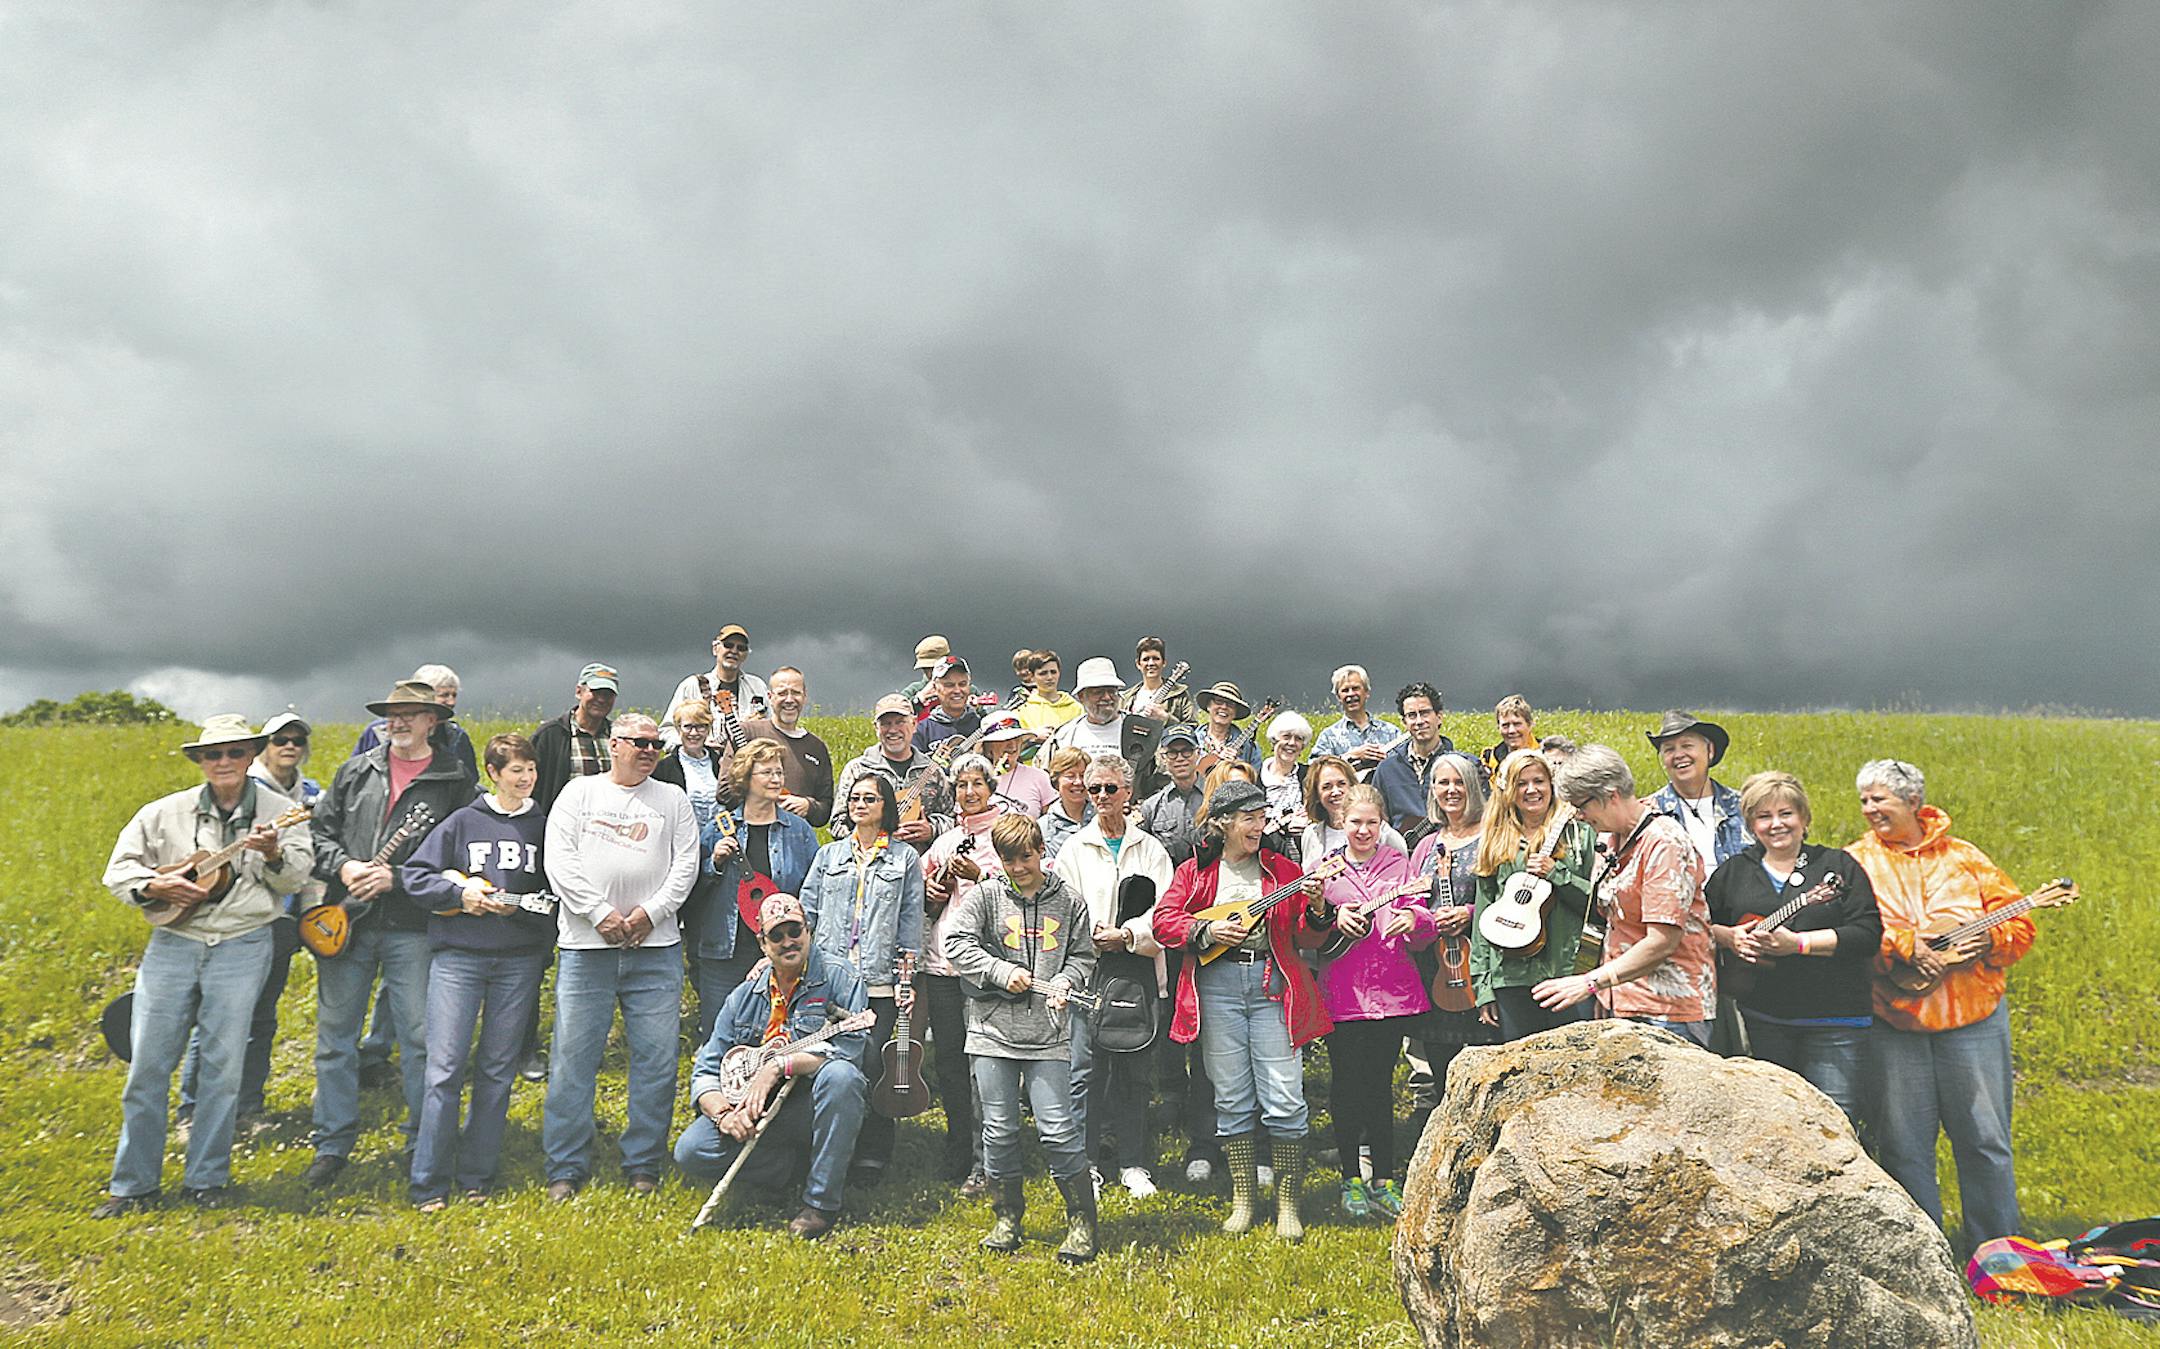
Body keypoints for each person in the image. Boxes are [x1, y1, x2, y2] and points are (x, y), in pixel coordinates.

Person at [94, 715, 313, 1216]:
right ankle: (133, 1186)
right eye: (213, 754)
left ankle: (207, 1179)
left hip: (242, 942)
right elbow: (120, 870)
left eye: (235, 753)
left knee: (223, 1065)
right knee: (149, 1065)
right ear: (199, 761)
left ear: (251, 756)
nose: (223, 763)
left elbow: (296, 880)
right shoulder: (163, 812)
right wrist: (155, 886)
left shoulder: (284, 813)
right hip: (174, 941)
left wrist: (275, 853)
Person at [1846, 759, 2037, 1248]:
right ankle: (1924, 1257)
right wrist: (1904, 948)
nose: (1869, 809)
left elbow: (2020, 925)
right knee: (1906, 1146)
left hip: (1972, 1021)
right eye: (1864, 800)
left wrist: (1990, 941)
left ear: (1913, 802)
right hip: (1894, 1021)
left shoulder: (1965, 857)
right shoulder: (1855, 863)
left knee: (1985, 1141)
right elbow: (1853, 936)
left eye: (1879, 799)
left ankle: (2000, 1256)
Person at [304, 681, 479, 1189]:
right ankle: (332, 1145)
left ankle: (421, 1141)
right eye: (392, 714)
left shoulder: (455, 782)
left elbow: (463, 860)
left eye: (410, 714)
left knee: (421, 1041)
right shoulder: (356, 770)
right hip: (347, 923)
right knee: (335, 1042)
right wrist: (345, 866)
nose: (398, 722)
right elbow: (318, 835)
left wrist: (399, 878)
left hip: (413, 928)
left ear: (433, 721)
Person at [1151, 780, 1334, 1242]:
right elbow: (1164, 922)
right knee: (1230, 1096)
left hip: (1272, 984)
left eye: (1262, 817)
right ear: (1224, 823)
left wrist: (1316, 908)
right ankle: (1244, 1199)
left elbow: (1309, 938)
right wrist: (1207, 933)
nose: (1259, 826)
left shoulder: (1282, 870)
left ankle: (1288, 1205)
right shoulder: (1196, 872)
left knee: (1285, 1097)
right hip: (1217, 986)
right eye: (1250, 818)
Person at [540, 713, 699, 1200]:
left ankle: (643, 1163)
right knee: (573, 1058)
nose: (650, 751)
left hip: (656, 951)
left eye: (656, 744)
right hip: (587, 948)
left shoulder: (672, 799)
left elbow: (686, 861)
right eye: (640, 742)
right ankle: (565, 1165)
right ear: (614, 745)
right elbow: (558, 859)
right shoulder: (579, 794)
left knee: (656, 1059)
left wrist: (652, 913)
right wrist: (599, 913)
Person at [399, 733, 557, 1209]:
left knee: (497, 1070)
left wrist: (524, 913)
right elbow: (415, 875)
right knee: (444, 1069)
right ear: (493, 772)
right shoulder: (462, 822)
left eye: (530, 770)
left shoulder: (545, 826)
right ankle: (428, 1181)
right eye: (516, 770)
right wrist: (459, 897)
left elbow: (557, 896)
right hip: (458, 958)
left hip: (519, 960)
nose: (526, 778)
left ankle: (476, 1177)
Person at [944, 814, 1101, 1264]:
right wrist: (1000, 970)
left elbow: (1083, 955)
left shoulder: (1069, 901)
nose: (1018, 868)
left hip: (1049, 1037)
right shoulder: (986, 896)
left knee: (1057, 1129)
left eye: (1026, 857)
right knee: (998, 1130)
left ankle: (1081, 1219)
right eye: (1009, 859)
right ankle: (1007, 1214)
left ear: (1041, 851)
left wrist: (1067, 982)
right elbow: (957, 944)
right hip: (991, 1033)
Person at [674, 892, 871, 1241]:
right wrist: (724, 1115)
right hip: (754, 1111)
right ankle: (788, 1168)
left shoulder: (841, 979)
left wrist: (780, 1066)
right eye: (776, 936)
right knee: (691, 1151)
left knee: (842, 1078)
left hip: (813, 1105)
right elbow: (706, 1069)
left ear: (808, 931)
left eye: (794, 930)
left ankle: (820, 1202)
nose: (788, 941)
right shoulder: (743, 997)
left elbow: (850, 1051)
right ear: (763, 944)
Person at [1704, 772, 1881, 1128]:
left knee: (1835, 1125)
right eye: (1763, 817)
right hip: (1765, 1018)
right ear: (1751, 824)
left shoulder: (1835, 866)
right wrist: (1729, 937)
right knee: (1778, 1125)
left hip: (1835, 1021)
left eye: (1786, 813)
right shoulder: (1735, 871)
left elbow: (1867, 934)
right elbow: (1697, 925)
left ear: (1804, 818)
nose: (1776, 825)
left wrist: (1798, 944)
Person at [177, 709, 323, 1124]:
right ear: (264, 750)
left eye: (297, 740)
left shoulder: (311, 794)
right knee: (215, 1015)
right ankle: (192, 1107)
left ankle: (247, 1105)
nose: (289, 747)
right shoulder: (232, 789)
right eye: (280, 740)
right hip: (219, 920)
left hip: (280, 917)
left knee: (261, 1015)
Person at [1053, 754, 1174, 1199]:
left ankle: (1134, 1162)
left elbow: (1166, 912)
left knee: (1135, 1072)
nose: (1101, 797)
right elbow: (1061, 909)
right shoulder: (1073, 849)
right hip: (1088, 971)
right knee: (1085, 1072)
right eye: (1094, 789)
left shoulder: (1151, 849)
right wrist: (1093, 937)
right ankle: (1085, 1164)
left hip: (1139, 967)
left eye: (1110, 789)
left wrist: (1128, 933)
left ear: (1128, 793)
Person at [1537, 745, 1716, 1046]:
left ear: (1611, 795)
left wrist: (1590, 982)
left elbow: (1662, 940)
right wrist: (1604, 990)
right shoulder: (1610, 841)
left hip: (1668, 1010)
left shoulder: (1664, 843)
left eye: (1581, 805)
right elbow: (1608, 922)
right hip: (1620, 1000)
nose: (1579, 816)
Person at [1311, 784, 1432, 1220]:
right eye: (1355, 822)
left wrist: (1414, 918)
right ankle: (1350, 1178)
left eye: (1371, 823)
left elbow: (1422, 918)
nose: (1363, 830)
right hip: (1341, 992)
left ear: (1382, 825)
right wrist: (1329, 916)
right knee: (1345, 1086)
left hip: (1389, 992)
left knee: (1381, 1086)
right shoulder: (1325, 871)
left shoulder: (1398, 865)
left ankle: (1383, 1178)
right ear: (1341, 822)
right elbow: (1306, 929)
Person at [798, 772, 924, 1182]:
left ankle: (872, 1150)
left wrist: (906, 980)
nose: (860, 804)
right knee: (828, 1062)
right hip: (831, 979)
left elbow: (910, 923)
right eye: (854, 797)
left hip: (878, 983)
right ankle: (825, 1145)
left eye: (870, 798)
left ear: (885, 805)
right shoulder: (828, 856)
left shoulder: (904, 859)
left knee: (874, 1065)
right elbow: (807, 913)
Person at [920, 754, 1011, 1191]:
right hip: (941, 966)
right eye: (961, 785)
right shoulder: (946, 841)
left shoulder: (1006, 838)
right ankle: (958, 1149)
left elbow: (1021, 893)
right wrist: (933, 890)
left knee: (984, 1067)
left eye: (977, 783)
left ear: (992, 789)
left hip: (986, 967)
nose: (969, 792)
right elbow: (925, 902)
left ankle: (988, 1159)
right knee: (952, 1066)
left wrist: (980, 876)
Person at [1467, 749, 1599, 1043]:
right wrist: (1483, 986)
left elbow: (1599, 904)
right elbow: (1482, 918)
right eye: (1521, 783)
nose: (1531, 790)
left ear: (1552, 786)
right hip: (1511, 978)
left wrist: (1557, 875)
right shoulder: (1496, 840)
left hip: (1568, 975)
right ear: (1510, 791)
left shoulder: (1580, 834)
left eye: (1539, 781)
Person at [694, 739, 819, 1039]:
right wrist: (715, 863)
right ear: (746, 778)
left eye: (779, 772)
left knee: (780, 1034)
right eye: (767, 772)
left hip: (783, 947)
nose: (776, 779)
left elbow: (815, 889)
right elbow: (694, 889)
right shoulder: (718, 828)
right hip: (727, 949)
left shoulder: (798, 830)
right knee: (721, 1033)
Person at [1405, 751, 1497, 1101]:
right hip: (1434, 969)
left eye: (1459, 782)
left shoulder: (1491, 836)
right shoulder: (1427, 844)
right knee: (1441, 1072)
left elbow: (1508, 897)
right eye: (1443, 782)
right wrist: (1424, 919)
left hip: (1477, 968)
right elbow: (1410, 898)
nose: (1451, 789)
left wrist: (1469, 913)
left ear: (1473, 787)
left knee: (1484, 1070)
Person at [833, 694, 953, 855]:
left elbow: (953, 821)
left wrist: (931, 830)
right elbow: (837, 825)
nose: (893, 730)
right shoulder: (857, 770)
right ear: (876, 728)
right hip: (870, 868)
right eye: (886, 723)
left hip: (922, 867)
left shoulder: (933, 771)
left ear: (914, 724)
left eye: (900, 722)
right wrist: (874, 836)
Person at [1646, 711, 1748, 873]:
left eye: (1687, 746)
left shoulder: (1745, 806)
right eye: (1669, 749)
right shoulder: (1649, 813)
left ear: (1710, 751)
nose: (1679, 755)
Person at [350, 663, 479, 787]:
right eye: (444, 695)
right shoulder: (376, 733)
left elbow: (469, 784)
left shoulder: (456, 737)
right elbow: (354, 776)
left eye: (454, 695)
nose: (452, 702)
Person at [740, 666, 835, 828]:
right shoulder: (748, 732)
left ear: (805, 697)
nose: (789, 699)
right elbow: (725, 792)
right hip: (748, 834)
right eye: (782, 693)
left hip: (796, 841)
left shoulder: (816, 748)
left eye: (796, 693)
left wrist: (808, 806)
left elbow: (825, 810)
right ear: (769, 697)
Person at [532, 663, 618, 813]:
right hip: (563, 823)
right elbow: (532, 785)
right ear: (579, 692)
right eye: (595, 692)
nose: (602, 700)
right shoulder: (550, 735)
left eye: (608, 695)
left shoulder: (619, 736)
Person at [1372, 683, 1456, 834]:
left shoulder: (1460, 766)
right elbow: (1377, 820)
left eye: (1424, 713)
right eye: (1412, 715)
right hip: (1401, 853)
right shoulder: (1387, 770)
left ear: (1439, 717)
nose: (1419, 721)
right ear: (1404, 722)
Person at [664, 623, 771, 742]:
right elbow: (666, 731)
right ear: (715, 649)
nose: (734, 651)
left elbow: (773, 728)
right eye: (728, 645)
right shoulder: (692, 685)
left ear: (746, 654)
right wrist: (696, 746)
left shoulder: (757, 686)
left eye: (741, 648)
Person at [1299, 755, 1409, 862]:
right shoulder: (1311, 835)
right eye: (1326, 787)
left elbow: (1403, 870)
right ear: (1317, 794)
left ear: (1352, 786)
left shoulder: (1384, 834)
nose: (1336, 792)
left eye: (1341, 784)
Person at [1046, 657, 1139, 765]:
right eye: (1098, 692)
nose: (1107, 697)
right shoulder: (1063, 736)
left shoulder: (1140, 729)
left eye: (1111, 691)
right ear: (1081, 696)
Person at [1137, 726, 1206, 867]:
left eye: (1187, 751)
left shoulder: (1216, 796)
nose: (1180, 758)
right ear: (1163, 758)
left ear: (1198, 753)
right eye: (1172, 753)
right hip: (1170, 882)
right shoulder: (1151, 807)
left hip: (1213, 880)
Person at [1311, 665, 1397, 775]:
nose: (1351, 694)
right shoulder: (1329, 736)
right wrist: (1351, 756)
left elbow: (1404, 766)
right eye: (1345, 690)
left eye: (1356, 688)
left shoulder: (1391, 732)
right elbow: (1314, 771)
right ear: (1338, 697)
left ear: (1367, 693)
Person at [982, 714, 1056, 817]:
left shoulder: (1039, 777)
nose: (1012, 745)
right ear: (989, 746)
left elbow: (1052, 819)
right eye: (1005, 740)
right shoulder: (976, 779)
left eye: (1016, 739)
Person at [913, 655, 983, 756]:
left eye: (962, 684)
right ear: (934, 688)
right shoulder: (922, 730)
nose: (957, 690)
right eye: (949, 685)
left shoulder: (981, 726)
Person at [1036, 745, 1095, 865]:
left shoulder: (1103, 817)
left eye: (1083, 776)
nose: (1078, 782)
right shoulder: (1042, 827)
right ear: (1056, 780)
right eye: (1070, 776)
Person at [1258, 711, 1313, 833]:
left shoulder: (1310, 775)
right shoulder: (1257, 777)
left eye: (1298, 739)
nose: (1292, 743)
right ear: (1274, 741)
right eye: (1286, 736)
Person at [1120, 636, 1196, 724]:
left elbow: (1191, 728)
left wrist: (1165, 718)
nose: (1151, 663)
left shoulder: (1179, 694)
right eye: (1146, 659)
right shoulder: (1127, 697)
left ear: (1164, 663)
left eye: (1156, 658)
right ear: (1138, 664)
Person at [1192, 682, 1263, 772]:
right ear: (1208, 706)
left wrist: (1237, 765)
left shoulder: (1249, 748)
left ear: (1235, 712)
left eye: (1230, 704)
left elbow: (1254, 780)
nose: (1224, 707)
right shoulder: (1192, 740)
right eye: (1219, 701)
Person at [1012, 649, 1083, 734]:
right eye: (1043, 673)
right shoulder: (1021, 712)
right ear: (1032, 676)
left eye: (1053, 672)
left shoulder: (1077, 708)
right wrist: (1033, 735)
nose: (1049, 677)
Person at [1479, 695, 1539, 783]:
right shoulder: (1489, 759)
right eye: (1505, 725)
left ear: (1530, 725)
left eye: (1517, 724)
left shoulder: (1548, 754)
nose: (1511, 731)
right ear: (1498, 728)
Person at [900, 634, 950, 712]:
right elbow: (894, 715)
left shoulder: (965, 690)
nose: (931, 673)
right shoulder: (913, 690)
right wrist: (918, 699)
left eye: (935, 668)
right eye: (926, 669)